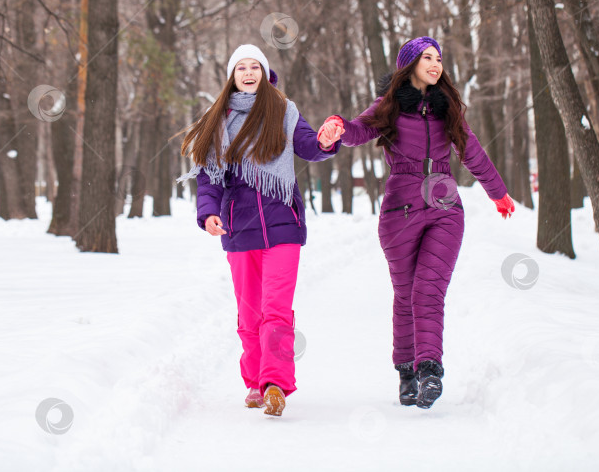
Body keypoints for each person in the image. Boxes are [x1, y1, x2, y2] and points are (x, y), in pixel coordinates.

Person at [318, 36, 514, 409]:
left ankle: (429, 370)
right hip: (399, 211)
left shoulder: (448, 108)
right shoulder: (389, 106)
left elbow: (471, 151)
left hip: (444, 207)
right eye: (428, 57)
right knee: (406, 294)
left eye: (439, 58)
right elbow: (358, 130)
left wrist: (497, 192)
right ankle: (406, 374)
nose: (436, 63)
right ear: (409, 64)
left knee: (429, 290)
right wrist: (336, 127)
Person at [178, 44, 344, 416]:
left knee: (277, 309)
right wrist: (207, 214)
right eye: (242, 68)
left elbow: (308, 145)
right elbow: (209, 180)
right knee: (250, 314)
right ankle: (254, 381)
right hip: (239, 229)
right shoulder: (217, 121)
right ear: (232, 77)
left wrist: (325, 139)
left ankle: (275, 385)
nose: (249, 73)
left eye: (256, 66)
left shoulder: (284, 112)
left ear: (266, 74)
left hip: (283, 222)